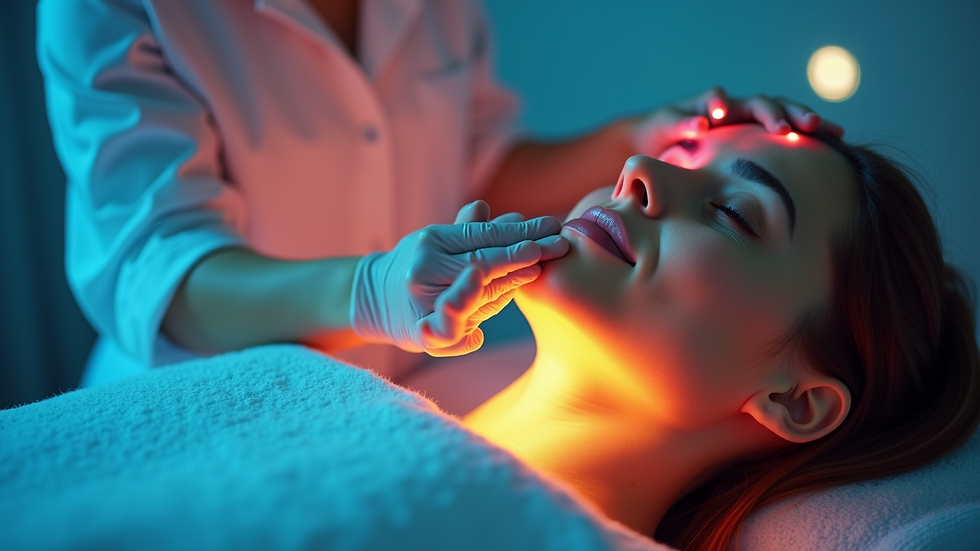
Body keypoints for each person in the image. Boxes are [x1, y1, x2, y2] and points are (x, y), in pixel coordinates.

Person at [36, 0, 840, 386]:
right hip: (199, 395)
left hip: (397, 390)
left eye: (733, 207)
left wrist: (640, 134)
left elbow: (478, 170)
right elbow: (158, 270)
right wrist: (365, 291)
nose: (634, 183)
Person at [460, 123, 980, 549]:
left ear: (796, 400)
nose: (637, 171)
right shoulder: (396, 374)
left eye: (733, 212)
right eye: (678, 154)